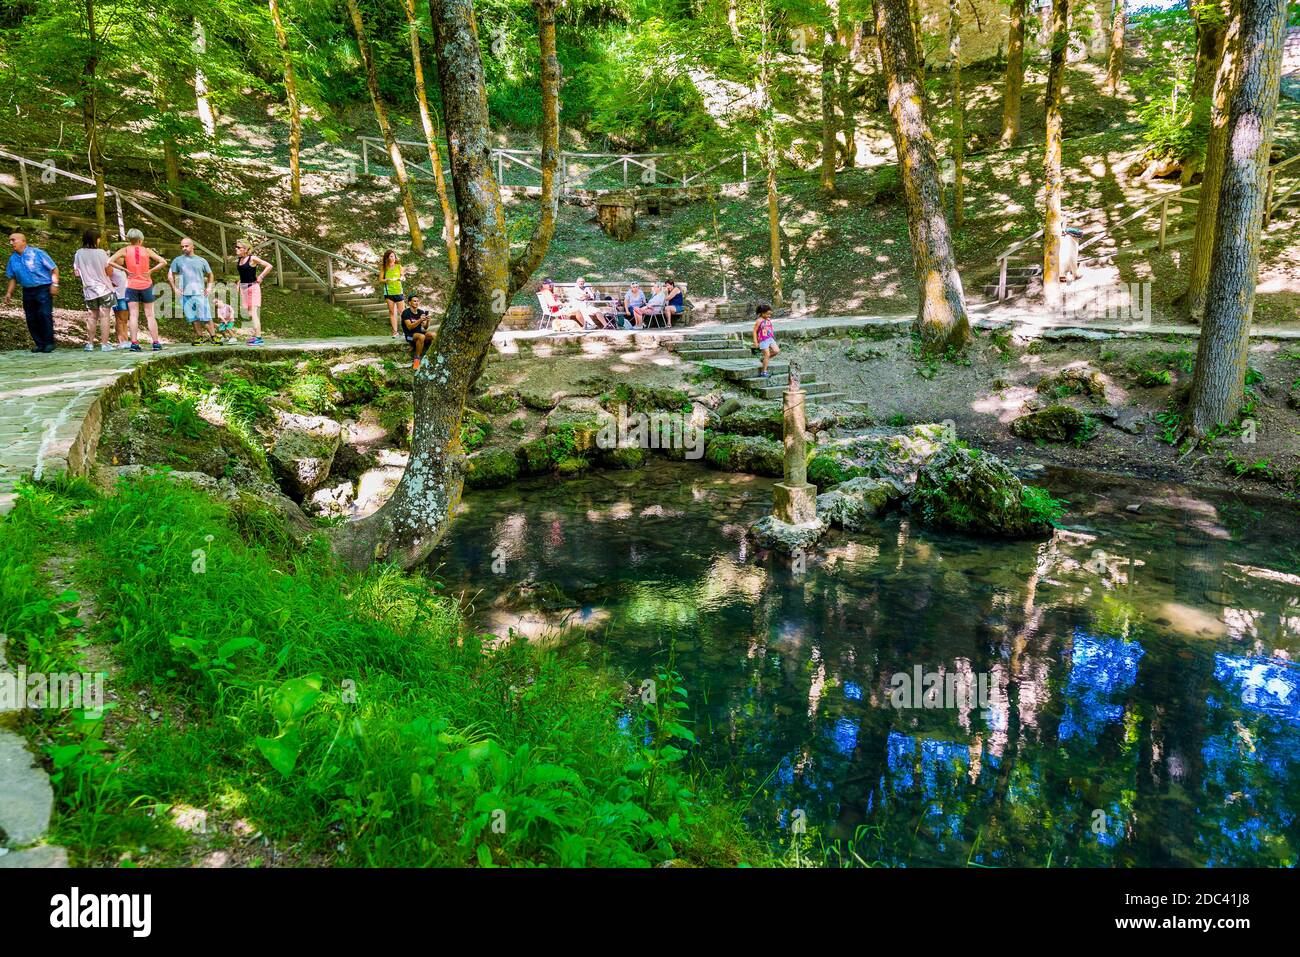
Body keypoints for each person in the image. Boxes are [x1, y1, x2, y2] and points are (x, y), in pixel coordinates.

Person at [107, 228, 167, 352]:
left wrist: (124, 269)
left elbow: (109, 261)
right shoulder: (147, 251)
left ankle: (134, 343)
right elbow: (163, 262)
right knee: (150, 315)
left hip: (131, 285)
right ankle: (155, 343)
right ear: (141, 240)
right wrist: (151, 271)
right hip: (146, 284)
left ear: (130, 239)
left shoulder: (125, 250)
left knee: (133, 315)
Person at [3, 232, 59, 353]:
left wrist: (54, 284)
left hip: (43, 288)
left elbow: (54, 268)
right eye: (9, 240)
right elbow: (12, 278)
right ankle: (39, 344)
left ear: (23, 241)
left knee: (44, 314)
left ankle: (49, 343)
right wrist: (9, 293)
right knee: (31, 317)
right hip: (27, 290)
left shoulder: (38, 253)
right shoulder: (12, 259)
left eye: (13, 240)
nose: (11, 243)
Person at [72, 229, 115, 352]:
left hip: (89, 290)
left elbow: (76, 272)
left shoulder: (78, 253)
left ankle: (89, 344)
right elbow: (109, 271)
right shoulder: (101, 253)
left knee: (92, 316)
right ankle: (104, 344)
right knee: (105, 316)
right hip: (104, 288)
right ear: (96, 239)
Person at [168, 237, 217, 346]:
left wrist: (209, 287)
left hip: (199, 293)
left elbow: (210, 274)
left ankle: (213, 337)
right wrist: (175, 288)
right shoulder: (178, 260)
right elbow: (171, 275)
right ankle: (200, 337)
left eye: (186, 246)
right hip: (185, 295)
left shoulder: (201, 260)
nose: (184, 248)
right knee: (193, 318)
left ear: (193, 246)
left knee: (206, 316)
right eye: (182, 246)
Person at [233, 239, 272, 345]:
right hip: (244, 289)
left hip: (253, 288)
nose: (236, 249)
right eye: (236, 247)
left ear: (245, 249)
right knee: (250, 313)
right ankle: (256, 336)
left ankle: (259, 338)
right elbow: (244, 274)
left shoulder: (252, 258)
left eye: (238, 248)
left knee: (254, 313)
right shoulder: (240, 259)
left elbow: (269, 266)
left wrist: (261, 276)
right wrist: (239, 283)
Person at [401, 295, 432, 370]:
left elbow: (425, 327)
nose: (416, 302)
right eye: (414, 301)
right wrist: (420, 320)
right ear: (409, 302)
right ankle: (417, 359)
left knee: (433, 334)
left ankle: (432, 355)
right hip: (409, 335)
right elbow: (409, 327)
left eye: (417, 301)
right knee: (421, 336)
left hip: (419, 333)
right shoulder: (406, 312)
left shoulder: (421, 312)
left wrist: (428, 321)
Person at [379, 249, 405, 338]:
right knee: (392, 312)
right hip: (388, 292)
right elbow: (380, 280)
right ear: (387, 257)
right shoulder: (384, 267)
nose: (393, 258)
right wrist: (386, 280)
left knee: (403, 312)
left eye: (394, 256)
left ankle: (406, 331)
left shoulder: (399, 266)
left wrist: (401, 278)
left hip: (398, 291)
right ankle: (395, 332)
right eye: (391, 256)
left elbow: (402, 276)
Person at [753, 301, 779, 378]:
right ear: (762, 313)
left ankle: (763, 359)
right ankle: (763, 372)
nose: (769, 315)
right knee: (767, 354)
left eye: (770, 314)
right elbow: (754, 331)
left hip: (770, 339)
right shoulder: (759, 320)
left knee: (776, 351)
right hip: (763, 340)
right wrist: (755, 342)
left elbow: (769, 329)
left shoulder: (768, 319)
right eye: (767, 314)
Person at [109, 255, 130, 348]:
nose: (123, 259)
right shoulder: (111, 268)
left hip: (126, 296)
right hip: (117, 296)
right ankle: (121, 341)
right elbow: (105, 278)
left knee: (125, 319)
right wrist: (111, 285)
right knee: (119, 318)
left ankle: (126, 340)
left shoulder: (122, 269)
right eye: (120, 257)